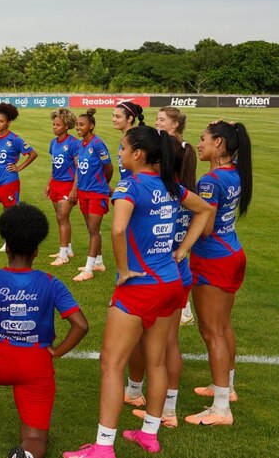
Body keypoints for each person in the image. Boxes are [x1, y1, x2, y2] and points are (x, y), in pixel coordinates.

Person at [62, 127, 213, 458]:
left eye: (123, 148)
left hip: (140, 286)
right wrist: (184, 249)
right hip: (171, 283)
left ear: (139, 155)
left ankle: (103, 448)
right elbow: (206, 210)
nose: (120, 153)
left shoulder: (130, 184)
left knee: (111, 364)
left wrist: (125, 269)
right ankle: (149, 435)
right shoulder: (170, 186)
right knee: (156, 361)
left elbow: (116, 228)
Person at [0, 204, 89, 458]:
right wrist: (57, 352)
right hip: (36, 364)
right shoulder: (51, 283)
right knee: (35, 437)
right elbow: (81, 325)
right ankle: (25, 455)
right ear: (37, 250)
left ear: (6, 246)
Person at [126, 109, 199, 425]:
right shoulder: (183, 191)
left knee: (144, 340)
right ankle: (167, 408)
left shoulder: (158, 190)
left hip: (151, 275)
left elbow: (123, 229)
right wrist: (184, 248)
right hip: (177, 274)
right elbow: (206, 215)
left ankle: (141, 395)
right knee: (169, 344)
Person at [184, 119, 252, 427]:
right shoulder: (235, 172)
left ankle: (221, 408)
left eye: (203, 139)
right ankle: (227, 386)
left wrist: (186, 210)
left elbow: (206, 226)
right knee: (223, 327)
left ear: (219, 144)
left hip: (213, 258)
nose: (199, 144)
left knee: (212, 332)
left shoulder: (210, 180)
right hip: (232, 252)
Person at [155, 107, 198, 327]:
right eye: (157, 119)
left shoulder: (174, 150)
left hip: (172, 204)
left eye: (162, 119)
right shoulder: (182, 147)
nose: (157, 122)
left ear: (175, 125)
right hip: (182, 206)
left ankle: (181, 308)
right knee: (176, 254)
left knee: (170, 253)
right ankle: (184, 308)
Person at [0, 104, 37, 250]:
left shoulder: (15, 139)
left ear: (8, 123)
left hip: (9, 181)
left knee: (9, 213)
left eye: (1, 121)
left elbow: (32, 154)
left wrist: (19, 167)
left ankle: (10, 242)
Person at [71, 110, 114, 281]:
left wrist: (103, 184)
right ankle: (99, 262)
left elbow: (109, 167)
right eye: (77, 125)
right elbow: (79, 169)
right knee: (92, 229)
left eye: (81, 125)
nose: (78, 127)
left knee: (94, 230)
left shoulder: (98, 144)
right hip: (84, 192)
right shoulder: (81, 145)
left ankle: (88, 269)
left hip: (96, 193)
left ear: (91, 126)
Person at [45, 108, 80, 265]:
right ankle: (68, 249)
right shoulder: (53, 143)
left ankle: (63, 255)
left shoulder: (73, 143)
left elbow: (80, 168)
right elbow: (55, 167)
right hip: (56, 184)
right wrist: (49, 183)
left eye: (58, 125)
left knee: (62, 217)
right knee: (61, 218)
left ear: (66, 126)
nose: (54, 127)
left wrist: (74, 189)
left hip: (68, 185)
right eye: (53, 124)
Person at [111, 101, 145, 182]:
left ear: (130, 118)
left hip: (135, 188)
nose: (113, 119)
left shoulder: (135, 139)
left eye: (118, 117)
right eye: (113, 116)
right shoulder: (127, 137)